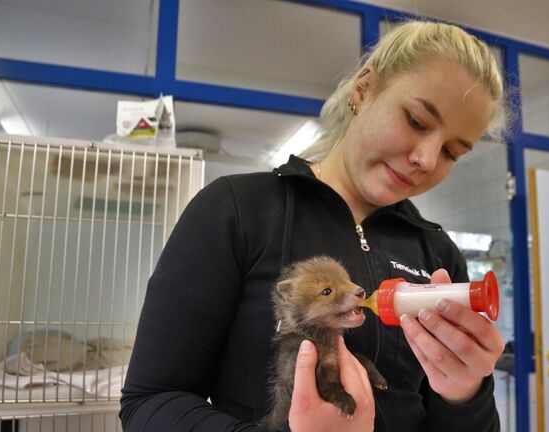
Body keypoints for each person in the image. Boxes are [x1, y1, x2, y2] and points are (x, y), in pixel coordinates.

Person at [120, 20, 508, 432]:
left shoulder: (438, 254)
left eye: (452, 152)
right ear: (364, 89)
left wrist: (466, 393)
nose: (427, 159)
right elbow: (150, 403)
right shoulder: (236, 210)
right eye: (416, 120)